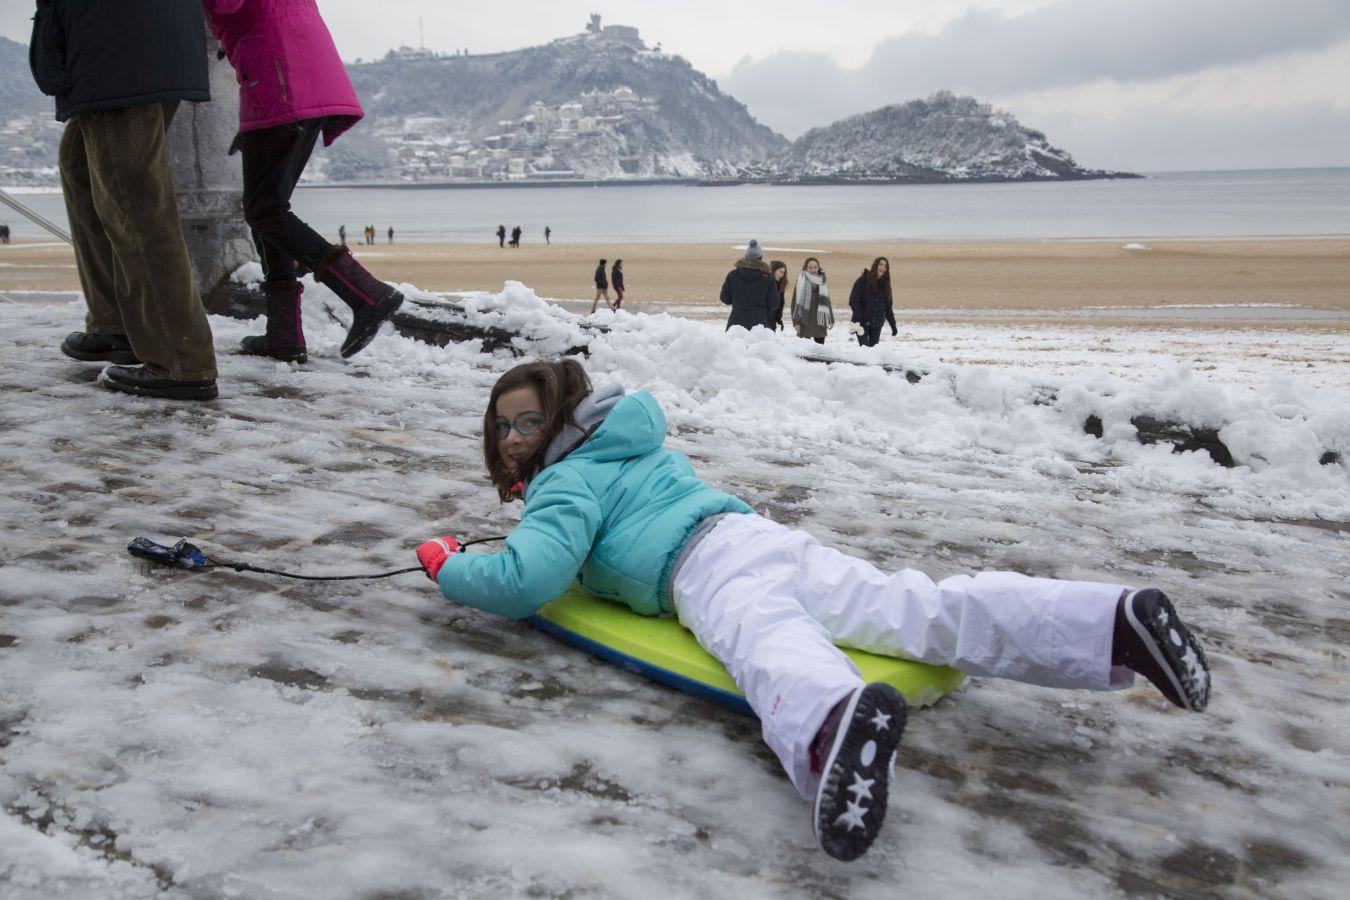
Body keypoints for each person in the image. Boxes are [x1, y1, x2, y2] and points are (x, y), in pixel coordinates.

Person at [414, 360, 1212, 862]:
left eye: (529, 422)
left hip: (703, 568)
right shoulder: (631, 444)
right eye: (503, 424)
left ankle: (833, 728)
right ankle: (1107, 622)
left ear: (561, 423)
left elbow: (528, 578)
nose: (515, 438)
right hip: (759, 534)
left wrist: (454, 568)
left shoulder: (564, 481)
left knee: (766, 641)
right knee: (916, 606)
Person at [34, 0, 219, 400]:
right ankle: (115, 322)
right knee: (81, 164)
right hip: (139, 40)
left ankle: (181, 359)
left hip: (117, 47)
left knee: (136, 203)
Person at [205, 0, 405, 364]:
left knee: (265, 211)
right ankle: (284, 336)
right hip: (293, 74)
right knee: (269, 209)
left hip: (278, 75)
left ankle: (367, 294)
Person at [719, 239, 777, 332]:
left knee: (734, 346)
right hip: (759, 326)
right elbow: (774, 304)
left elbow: (725, 298)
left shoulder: (733, 275)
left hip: (736, 324)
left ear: (746, 256)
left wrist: (738, 302)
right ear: (761, 257)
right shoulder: (768, 278)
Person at [848, 257, 897, 348]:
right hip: (861, 323)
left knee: (873, 350)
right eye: (881, 264)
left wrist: (893, 325)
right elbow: (853, 301)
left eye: (885, 266)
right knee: (865, 348)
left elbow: (888, 308)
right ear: (875, 266)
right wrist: (859, 316)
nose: (883, 267)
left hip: (877, 323)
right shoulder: (862, 281)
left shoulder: (886, 286)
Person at [791, 257, 833, 345]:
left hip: (820, 321)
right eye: (810, 267)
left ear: (818, 267)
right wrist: (796, 323)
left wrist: (830, 318)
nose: (813, 269)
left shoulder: (822, 281)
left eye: (815, 267)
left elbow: (827, 301)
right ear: (806, 268)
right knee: (805, 351)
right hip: (805, 321)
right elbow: (794, 303)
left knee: (820, 350)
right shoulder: (801, 281)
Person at [769, 260, 789, 331]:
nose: (782, 275)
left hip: (773, 319)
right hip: (764, 317)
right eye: (780, 272)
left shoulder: (781, 284)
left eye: (783, 273)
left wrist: (778, 319)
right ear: (774, 270)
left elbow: (781, 303)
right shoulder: (767, 282)